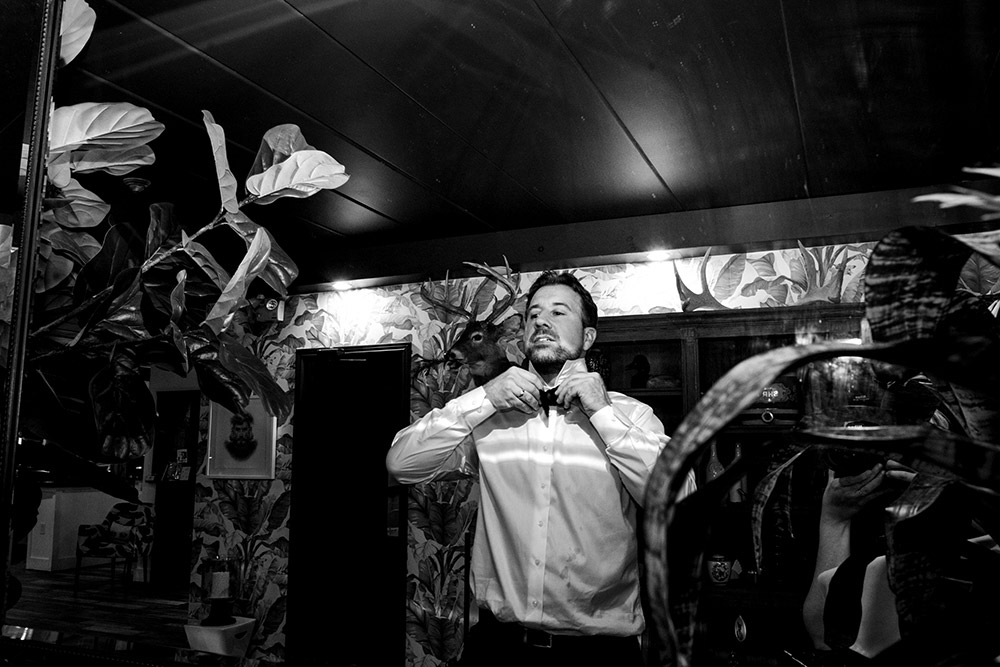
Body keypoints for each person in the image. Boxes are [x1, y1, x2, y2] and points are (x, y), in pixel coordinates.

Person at [387, 270, 686, 667]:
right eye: (533, 315)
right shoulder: (487, 417)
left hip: (598, 655)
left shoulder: (632, 416)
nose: (541, 321)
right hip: (497, 648)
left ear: (588, 337)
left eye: (559, 313)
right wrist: (481, 398)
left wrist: (603, 413)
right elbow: (401, 464)